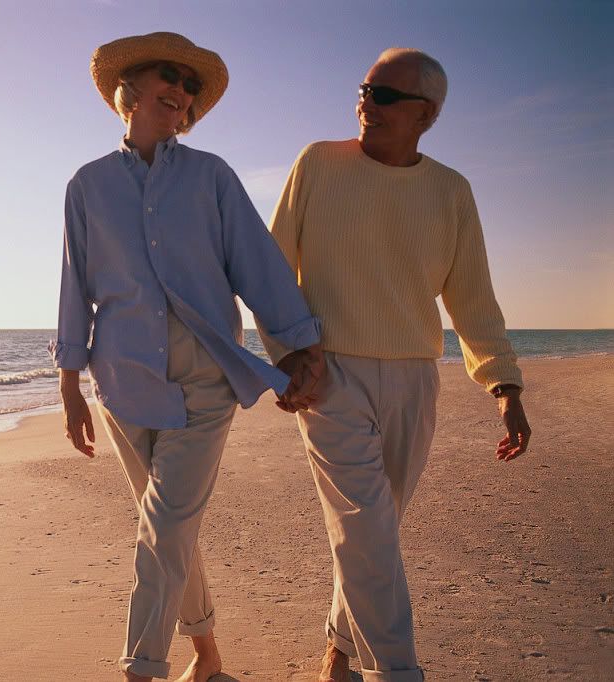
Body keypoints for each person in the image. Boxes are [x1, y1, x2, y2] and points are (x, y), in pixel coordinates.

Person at [51, 32, 324, 682]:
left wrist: (300, 349)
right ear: (130, 91)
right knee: (168, 529)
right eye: (169, 77)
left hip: (204, 385)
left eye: (190, 88)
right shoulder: (86, 186)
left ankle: (140, 670)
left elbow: (258, 268)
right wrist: (68, 385)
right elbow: (73, 285)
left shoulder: (211, 178)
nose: (182, 91)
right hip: (121, 386)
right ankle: (207, 657)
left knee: (162, 531)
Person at [261, 48, 532, 682]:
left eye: (384, 95)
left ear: (426, 116)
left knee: (376, 528)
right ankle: (397, 670)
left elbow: (472, 297)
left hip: (415, 375)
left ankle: (339, 649)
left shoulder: (451, 191)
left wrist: (505, 384)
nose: (366, 103)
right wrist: (287, 357)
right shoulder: (316, 164)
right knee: (365, 527)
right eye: (364, 89)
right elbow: (271, 268)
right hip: (330, 373)